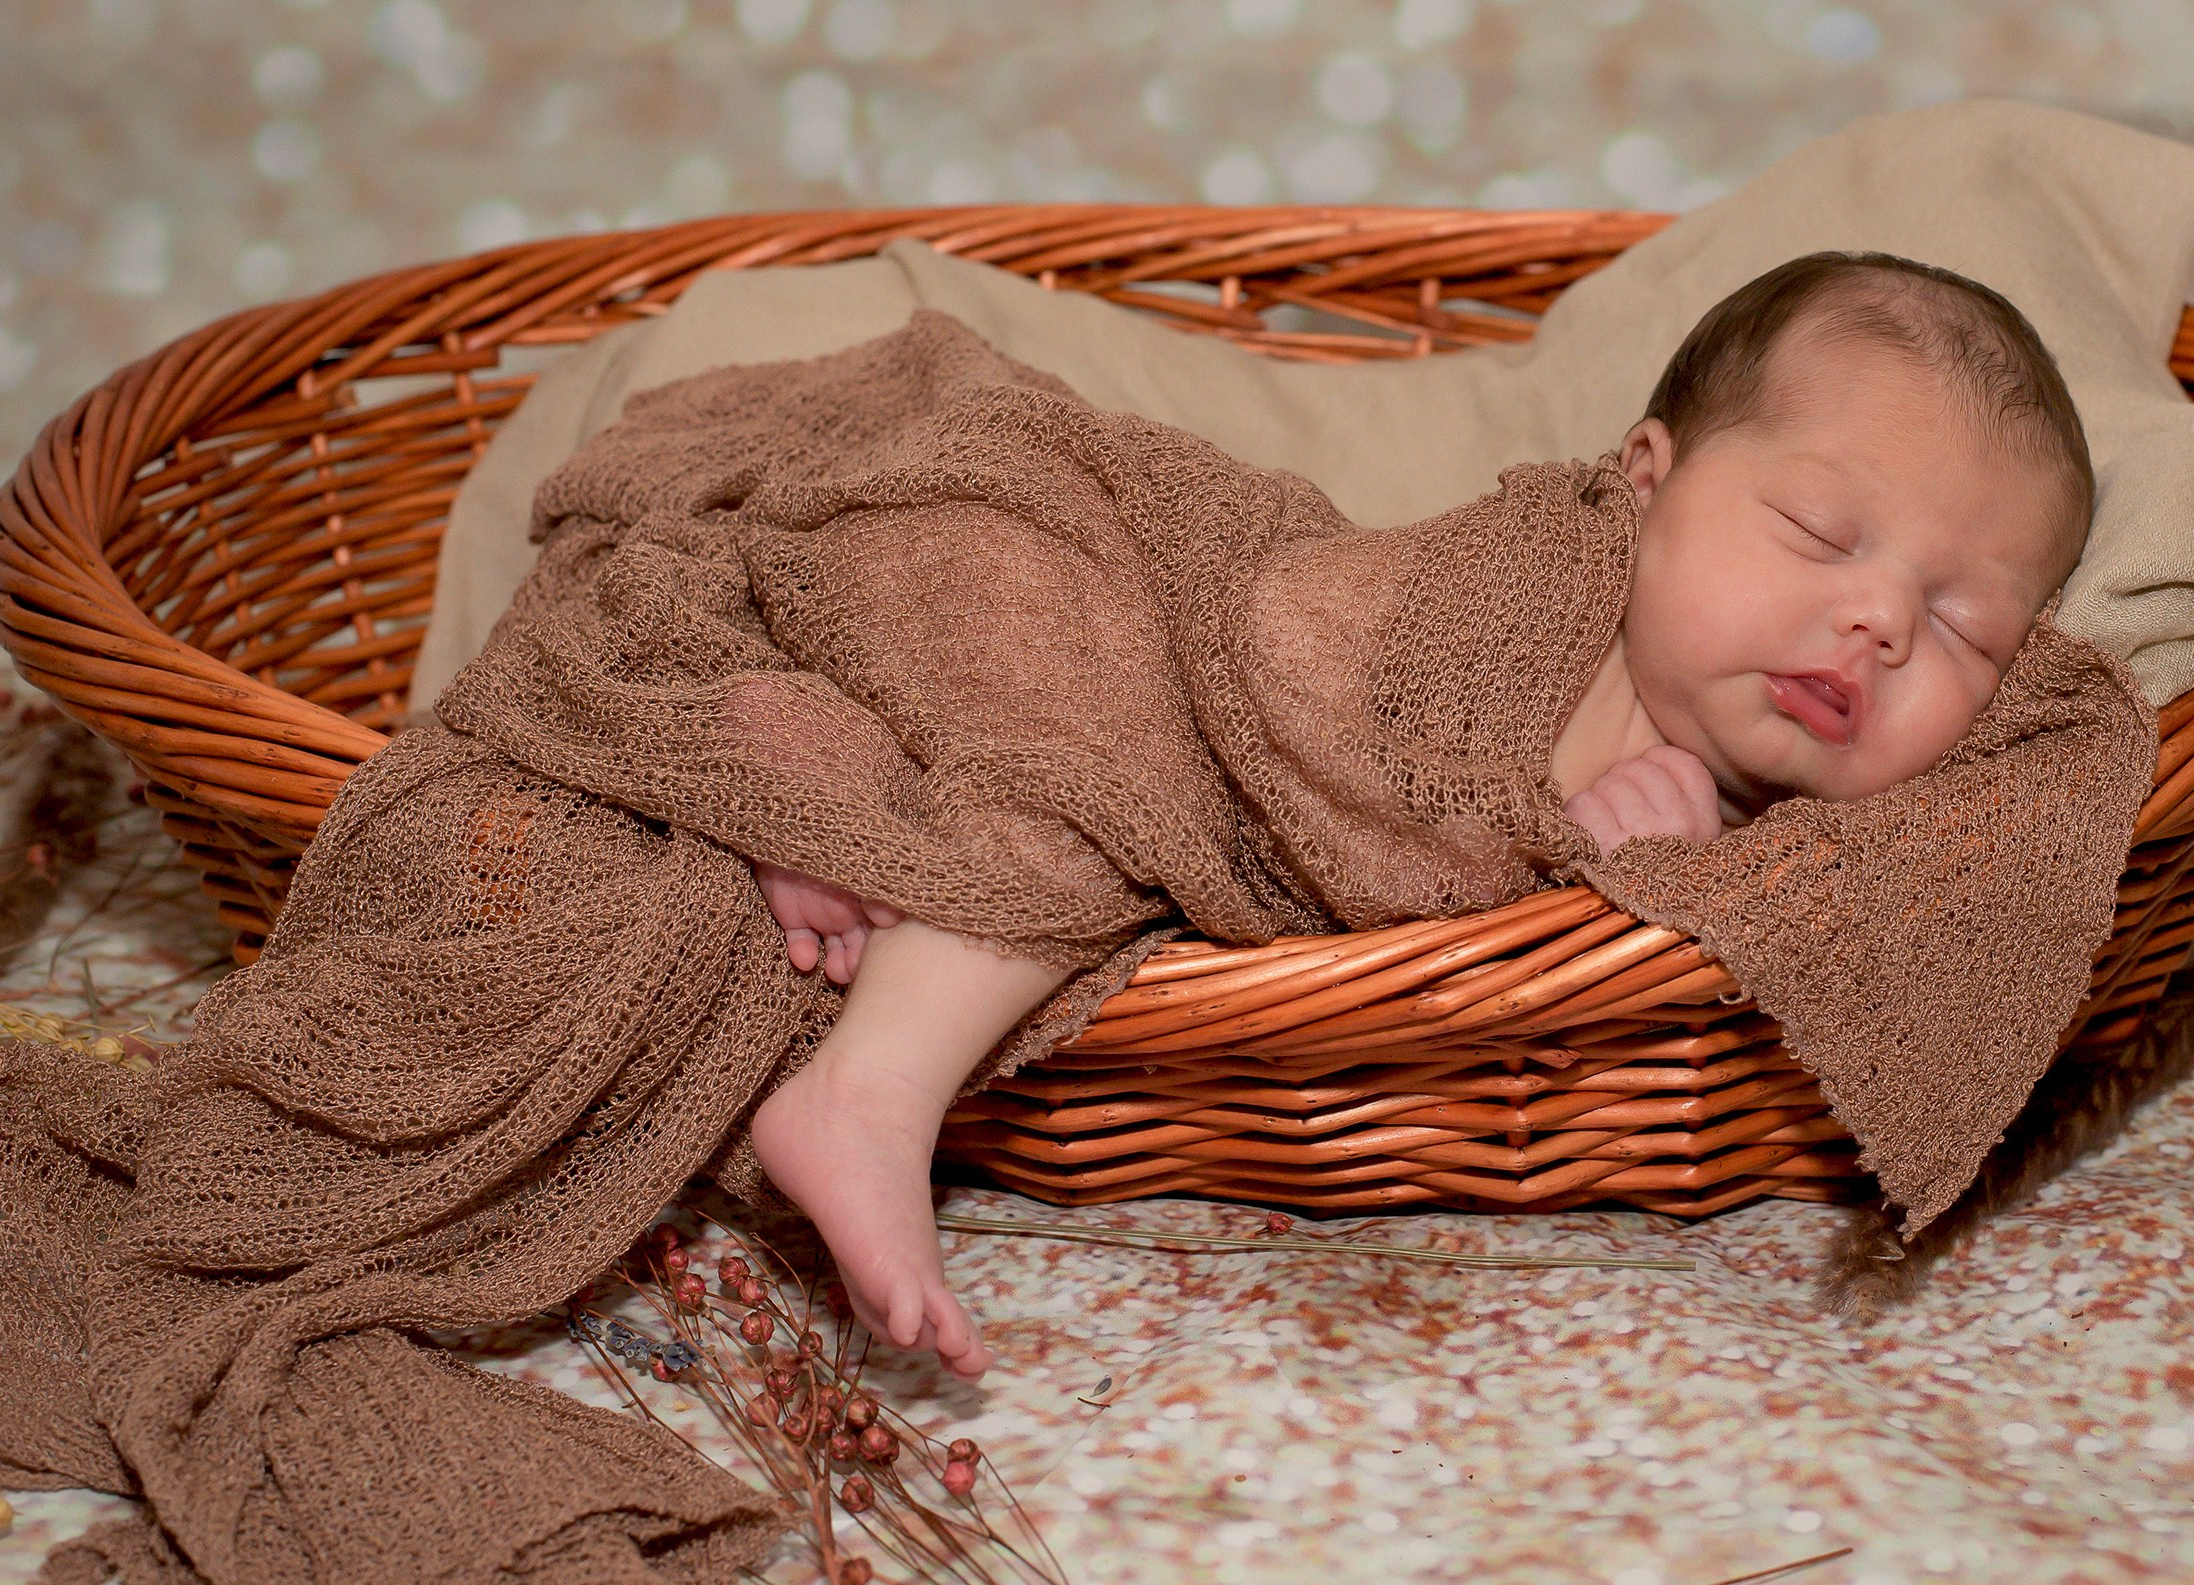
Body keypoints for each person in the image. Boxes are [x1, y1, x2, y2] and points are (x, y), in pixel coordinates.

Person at [745, 250, 2095, 1382]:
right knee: (1100, 761)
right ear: (1643, 482)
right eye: (1818, 529)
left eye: (1964, 629)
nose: (1882, 621)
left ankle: (835, 811)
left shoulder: (1810, 851)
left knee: (1063, 811)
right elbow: (1287, 688)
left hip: (1078, 725)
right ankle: (868, 1076)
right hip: (1133, 603)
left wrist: (1602, 879)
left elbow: (1477, 969)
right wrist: (1537, 826)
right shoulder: (1535, 589)